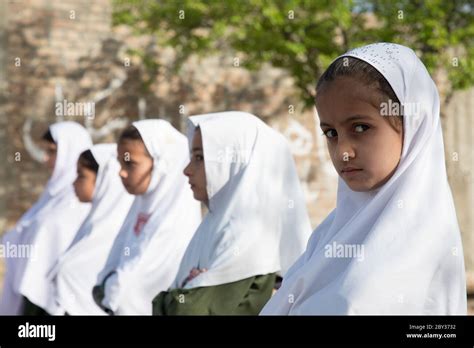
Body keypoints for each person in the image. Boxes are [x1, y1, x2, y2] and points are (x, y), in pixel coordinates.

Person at [260, 43, 467, 315]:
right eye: (331, 133)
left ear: (412, 123)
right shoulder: (330, 233)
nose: (343, 152)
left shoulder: (421, 246)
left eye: (361, 127)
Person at [152, 111, 312, 315]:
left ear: (237, 163)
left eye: (200, 158)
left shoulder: (247, 232)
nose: (187, 169)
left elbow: (187, 310)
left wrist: (168, 299)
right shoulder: (214, 223)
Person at [93, 119, 201, 315]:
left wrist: (109, 289)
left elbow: (132, 292)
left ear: (161, 165)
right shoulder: (142, 206)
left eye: (130, 163)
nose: (121, 172)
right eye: (119, 162)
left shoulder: (177, 222)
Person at [0, 121, 92, 315]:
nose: (46, 159)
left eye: (53, 152)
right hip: (31, 296)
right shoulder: (53, 195)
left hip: (54, 304)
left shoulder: (79, 201)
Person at [48, 144, 134, 315]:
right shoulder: (91, 226)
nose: (74, 182)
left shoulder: (117, 237)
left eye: (81, 176)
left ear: (104, 181)